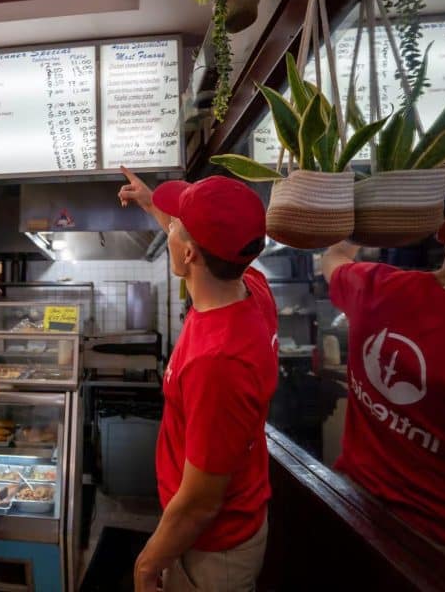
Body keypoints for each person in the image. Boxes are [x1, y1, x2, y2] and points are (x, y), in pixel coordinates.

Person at [118, 167, 279, 592]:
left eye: (175, 226)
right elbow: (200, 243)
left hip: (212, 548)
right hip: (221, 523)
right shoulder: (250, 287)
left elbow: (200, 505)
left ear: (189, 254)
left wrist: (147, 564)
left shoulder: (218, 362)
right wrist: (154, 204)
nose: (168, 228)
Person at [321, 207, 445, 553]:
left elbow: (332, 258)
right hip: (437, 547)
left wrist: (367, 219)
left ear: (443, 231)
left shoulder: (378, 288)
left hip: (354, 510)